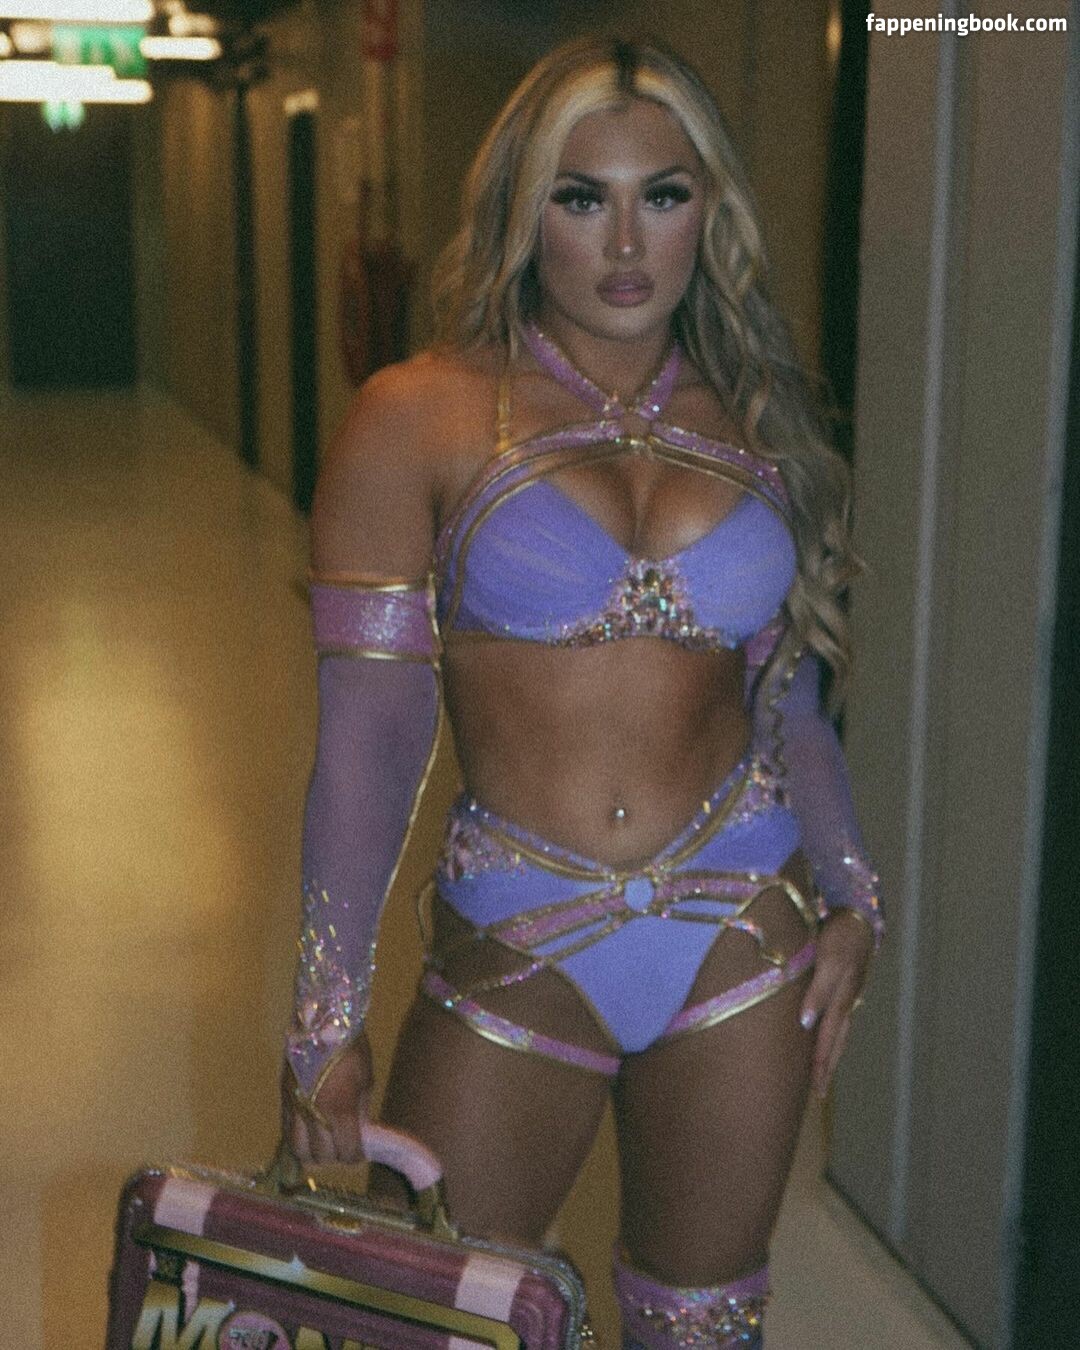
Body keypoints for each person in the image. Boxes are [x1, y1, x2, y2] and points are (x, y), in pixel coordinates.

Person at [280, 35, 883, 1349]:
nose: (624, 243)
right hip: (519, 934)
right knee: (423, 1318)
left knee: (702, 1320)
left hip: (740, 930)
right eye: (580, 196)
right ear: (521, 207)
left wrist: (854, 894)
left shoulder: (760, 422)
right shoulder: (417, 417)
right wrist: (325, 1019)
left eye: (662, 195)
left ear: (709, 209)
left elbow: (785, 703)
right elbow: (370, 742)